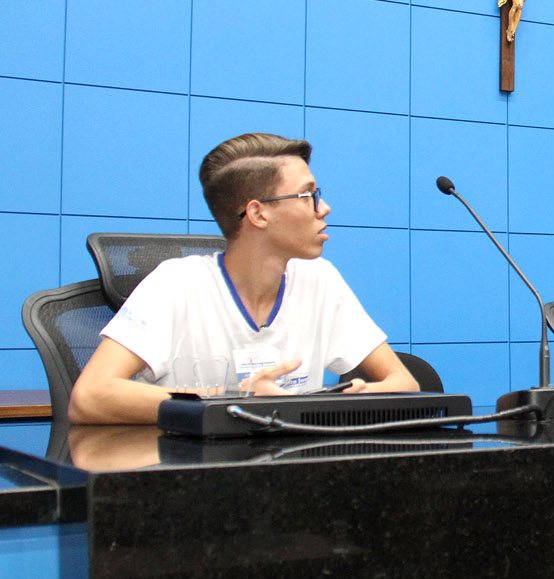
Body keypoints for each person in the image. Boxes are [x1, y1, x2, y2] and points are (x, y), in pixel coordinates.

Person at [69, 133, 418, 424]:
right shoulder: (176, 284)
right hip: (193, 473)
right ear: (258, 213)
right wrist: (238, 402)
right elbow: (89, 396)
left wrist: (340, 400)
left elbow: (404, 383)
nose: (323, 208)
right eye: (308, 196)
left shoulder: (320, 280)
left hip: (291, 471)